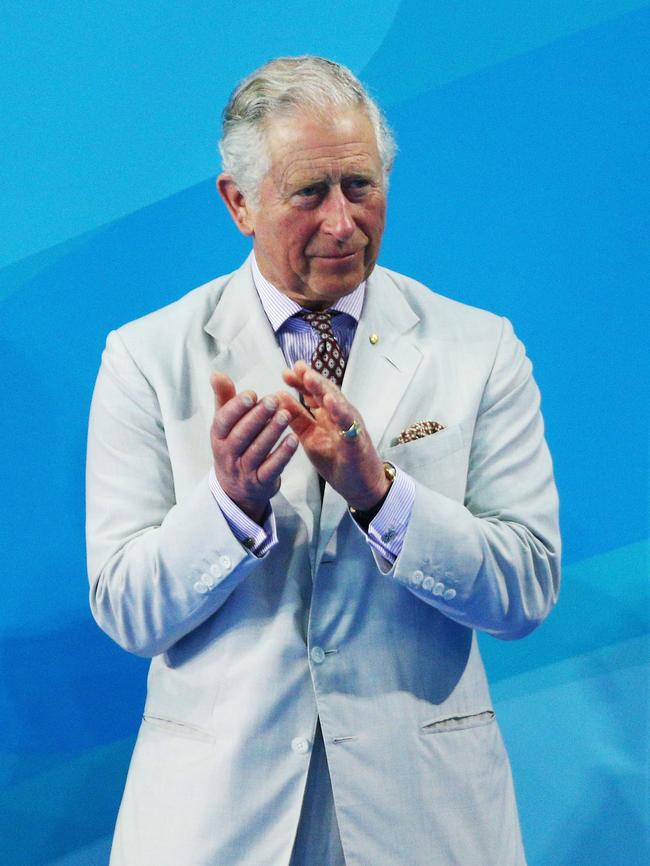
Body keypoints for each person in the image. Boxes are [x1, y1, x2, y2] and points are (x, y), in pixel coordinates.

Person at [86, 56, 560, 866]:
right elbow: (127, 611)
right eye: (309, 193)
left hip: (424, 818)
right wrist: (230, 509)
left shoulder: (480, 349)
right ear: (239, 203)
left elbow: (525, 589)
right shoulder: (146, 357)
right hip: (214, 824)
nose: (343, 222)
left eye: (362, 187)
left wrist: (381, 497)